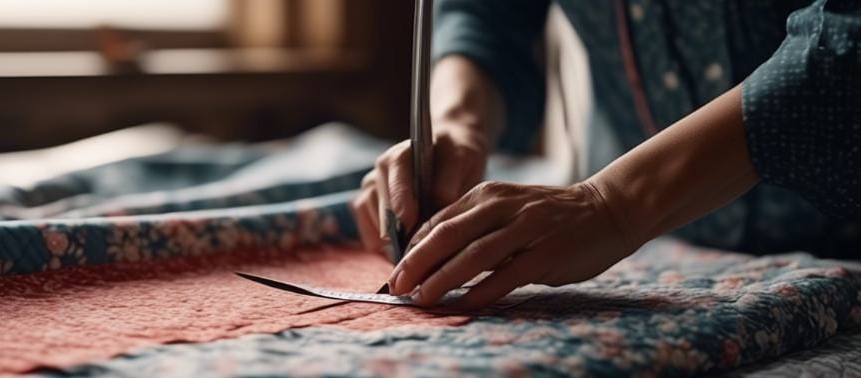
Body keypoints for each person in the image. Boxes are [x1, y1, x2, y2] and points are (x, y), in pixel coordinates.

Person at [352, 0, 861, 309]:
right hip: (672, 248)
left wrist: (614, 205)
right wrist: (458, 125)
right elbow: (485, 15)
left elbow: (847, 39)